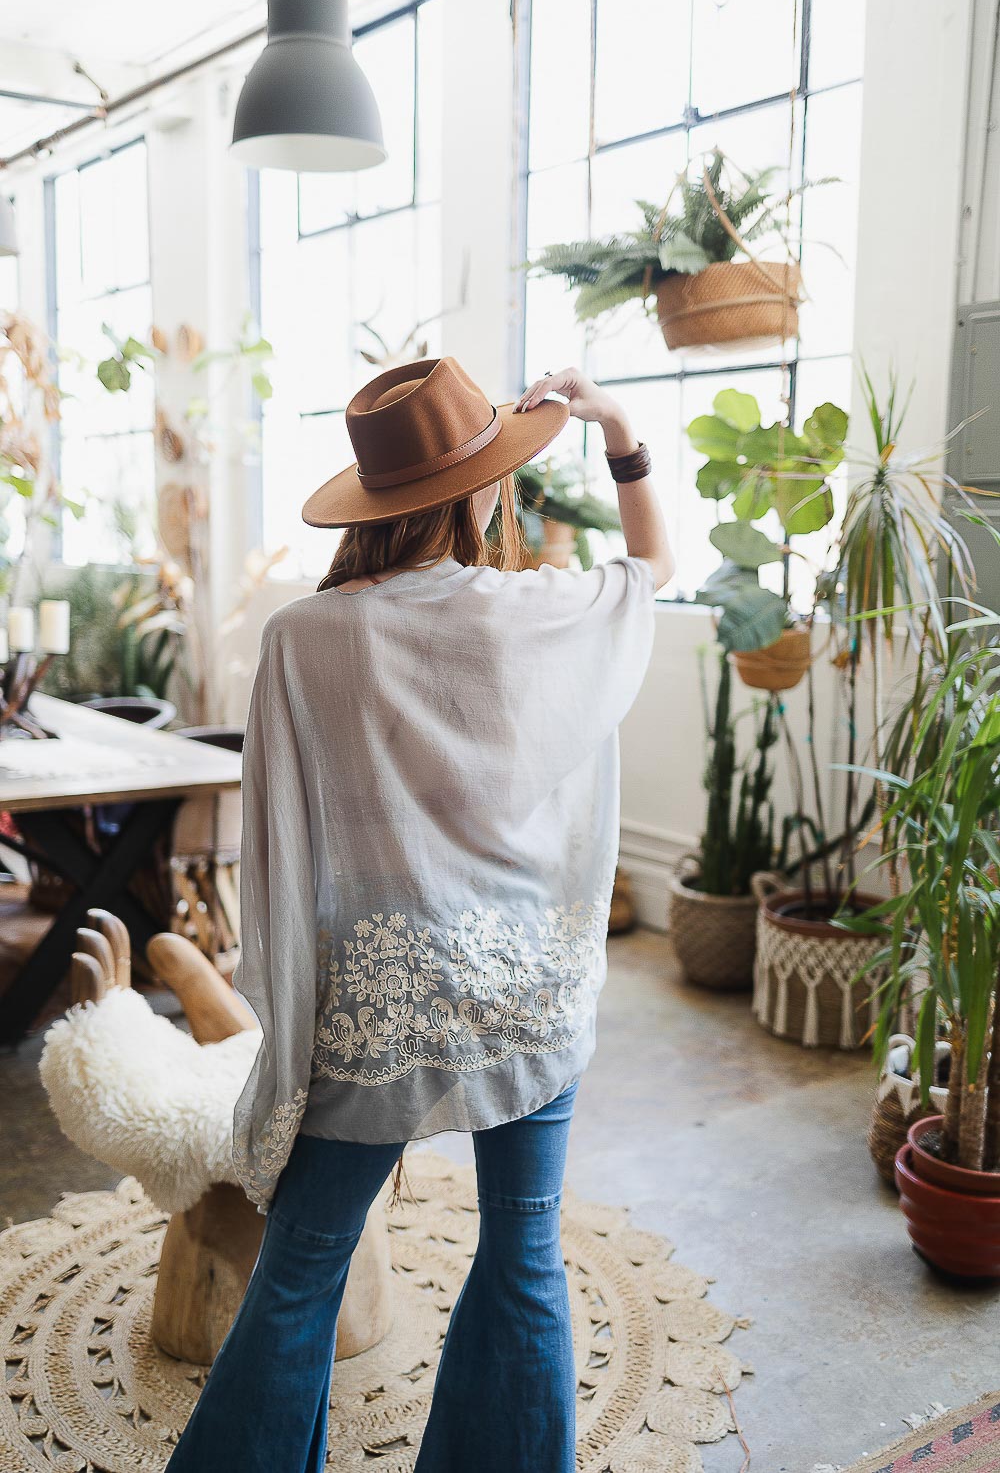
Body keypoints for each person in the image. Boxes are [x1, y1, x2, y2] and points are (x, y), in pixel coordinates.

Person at [165, 359, 673, 1473]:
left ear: (375, 496)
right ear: (482, 491)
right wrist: (617, 428)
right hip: (527, 982)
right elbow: (649, 569)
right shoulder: (537, 613)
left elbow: (292, 841)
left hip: (379, 1002)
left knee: (303, 1257)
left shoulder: (303, 638)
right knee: (527, 1246)